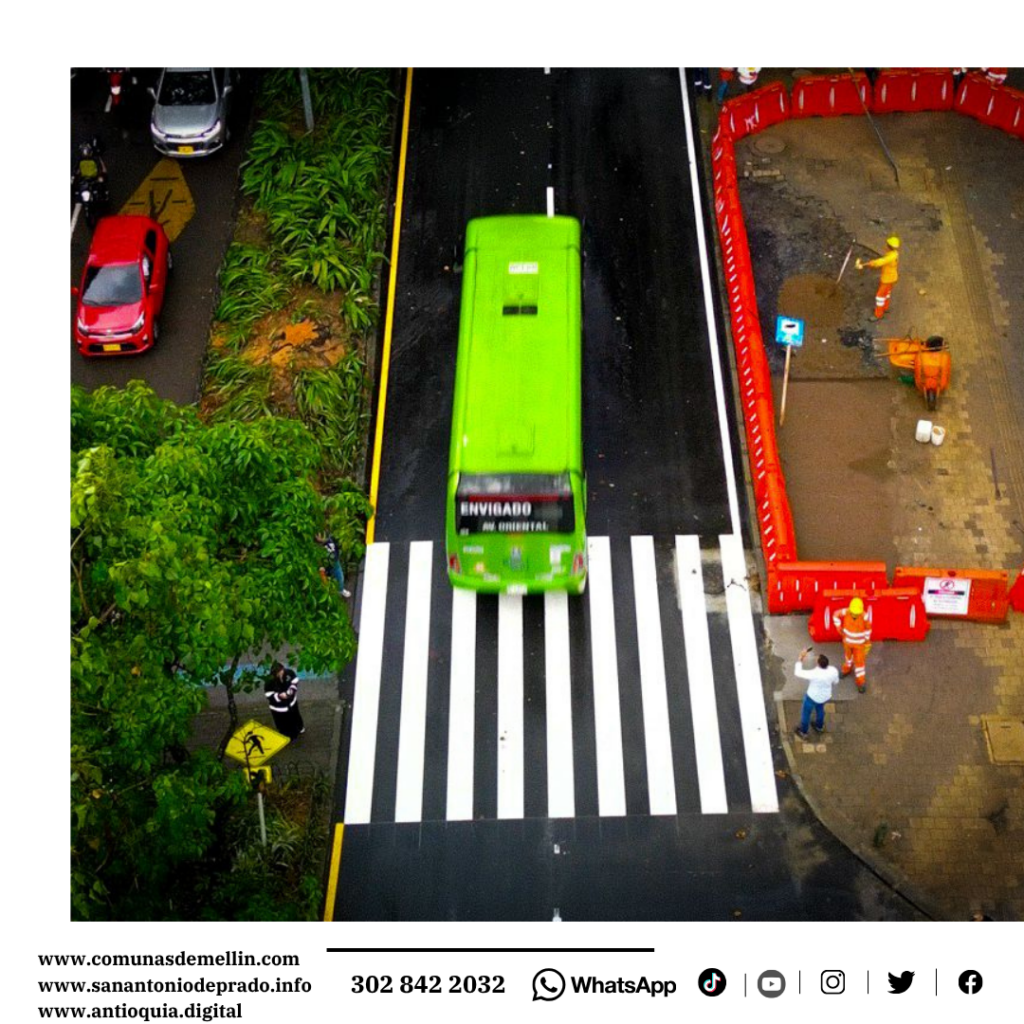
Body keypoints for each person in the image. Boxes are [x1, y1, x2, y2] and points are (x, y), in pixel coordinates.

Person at [793, 646, 840, 740]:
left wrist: (800, 658)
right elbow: (836, 682)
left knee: (806, 714)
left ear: (818, 664)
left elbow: (797, 672)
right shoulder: (833, 670)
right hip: (825, 696)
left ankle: (803, 732)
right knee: (820, 710)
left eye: (817, 659)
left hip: (811, 697)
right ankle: (819, 727)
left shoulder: (814, 673)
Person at [856, 236, 900, 320]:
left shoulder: (890, 257)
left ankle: (878, 314)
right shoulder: (894, 254)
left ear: (888, 246)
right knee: (887, 294)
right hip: (892, 277)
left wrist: (870, 263)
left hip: (887, 279)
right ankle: (885, 308)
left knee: (879, 297)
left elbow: (880, 262)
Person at [836, 596, 872, 693]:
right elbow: (835, 614)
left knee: (859, 663)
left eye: (856, 613)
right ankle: (846, 669)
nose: (854, 615)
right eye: (853, 612)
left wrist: (867, 641)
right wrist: (838, 626)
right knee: (848, 658)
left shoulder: (865, 616)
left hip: (859, 645)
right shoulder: (846, 611)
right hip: (847, 642)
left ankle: (861, 682)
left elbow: (868, 629)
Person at [265, 661, 304, 739]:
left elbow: (295, 681)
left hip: (291, 702)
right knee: (283, 723)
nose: (281, 673)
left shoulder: (289, 673)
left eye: (281, 671)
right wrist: (279, 696)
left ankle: (300, 728)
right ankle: (288, 735)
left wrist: (291, 691)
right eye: (279, 672)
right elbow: (268, 695)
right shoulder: (269, 681)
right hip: (279, 708)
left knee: (295, 715)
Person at [316, 532, 351, 598]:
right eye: (317, 536)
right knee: (327, 583)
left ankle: (341, 590)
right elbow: (320, 565)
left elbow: (337, 546)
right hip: (325, 568)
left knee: (340, 578)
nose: (320, 537)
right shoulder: (317, 551)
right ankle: (331, 595)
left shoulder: (330, 540)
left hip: (335, 564)